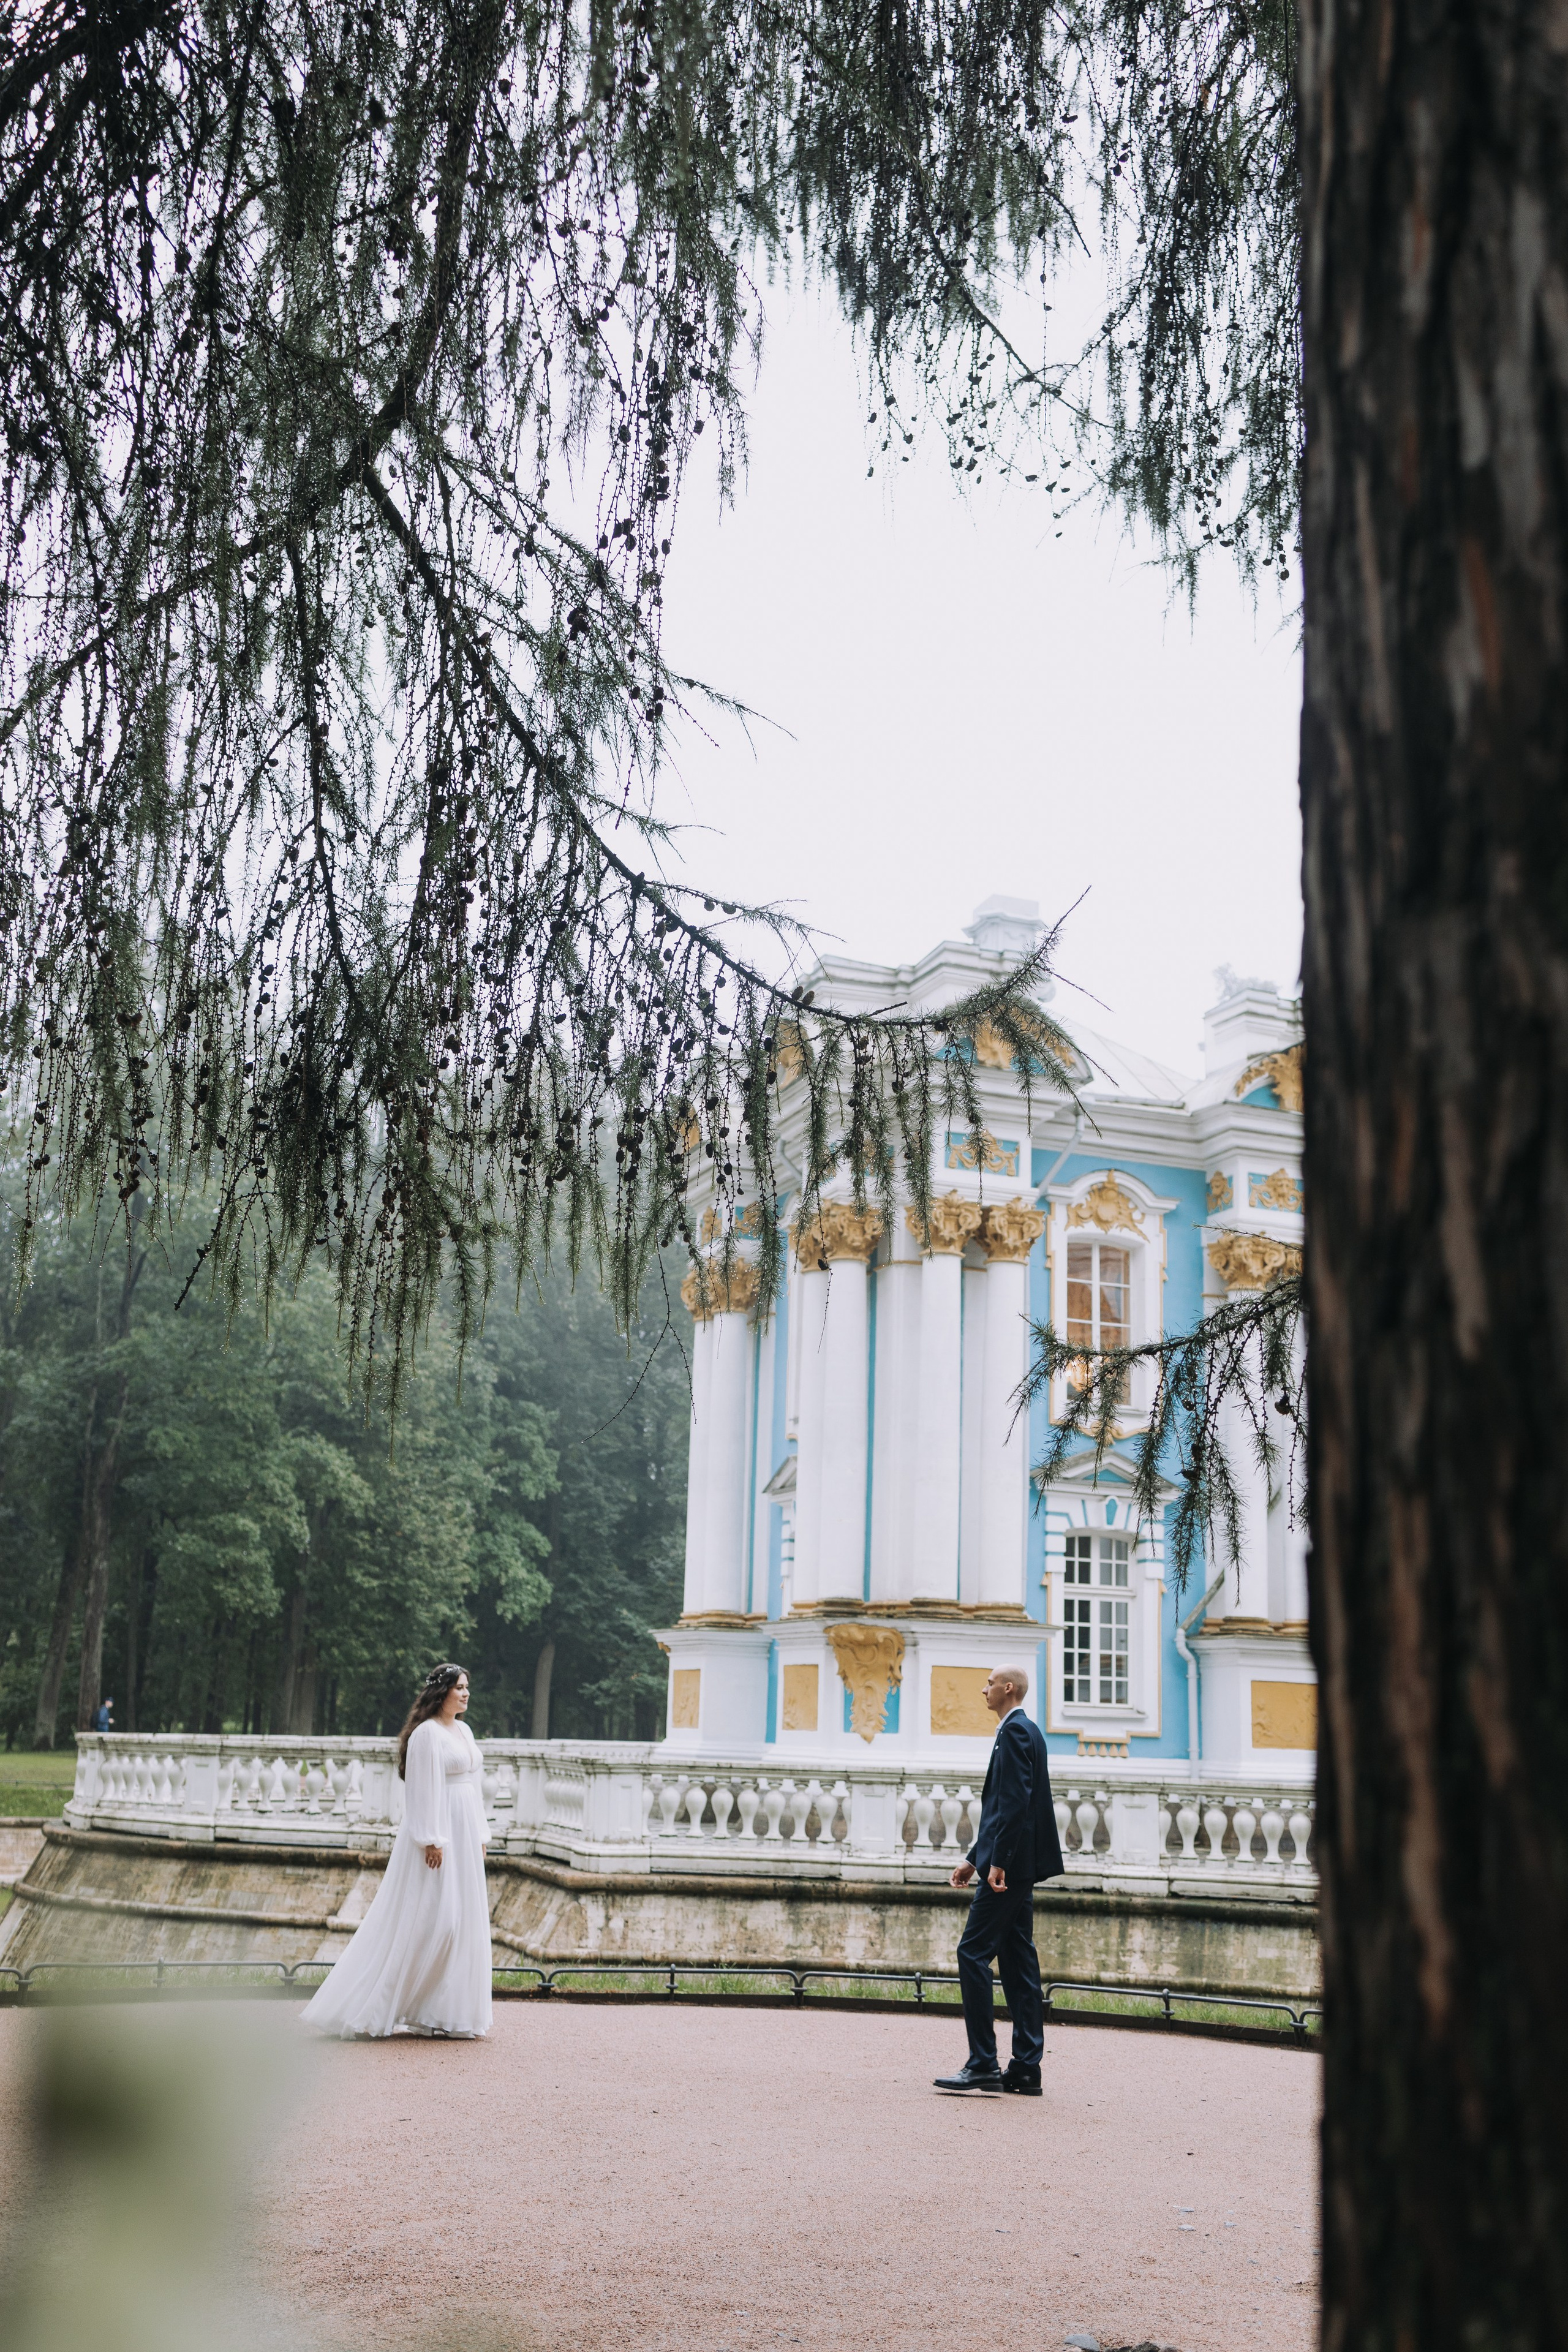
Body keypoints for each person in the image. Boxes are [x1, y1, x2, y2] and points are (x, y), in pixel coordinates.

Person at [300, 1663, 492, 2040]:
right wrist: (430, 1838)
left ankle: (444, 2011)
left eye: (468, 1687)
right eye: (460, 1688)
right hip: (439, 1832)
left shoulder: (465, 1731)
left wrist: (481, 1833)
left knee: (463, 1921)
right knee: (436, 1920)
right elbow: (420, 1789)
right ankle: (376, 2002)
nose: (466, 1694)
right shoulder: (427, 1735)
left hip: (465, 1830)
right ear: (442, 1693)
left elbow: (474, 1784)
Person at [934, 1664, 1063, 2097]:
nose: (983, 1689)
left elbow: (1013, 1805)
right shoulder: (1027, 1732)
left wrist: (998, 1862)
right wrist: (975, 1859)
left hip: (1009, 1868)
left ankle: (983, 2063)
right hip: (1016, 1865)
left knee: (971, 1952)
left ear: (1008, 1689)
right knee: (1019, 1963)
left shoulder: (1015, 1733)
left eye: (989, 1684)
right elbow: (1003, 1810)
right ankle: (1026, 2069)